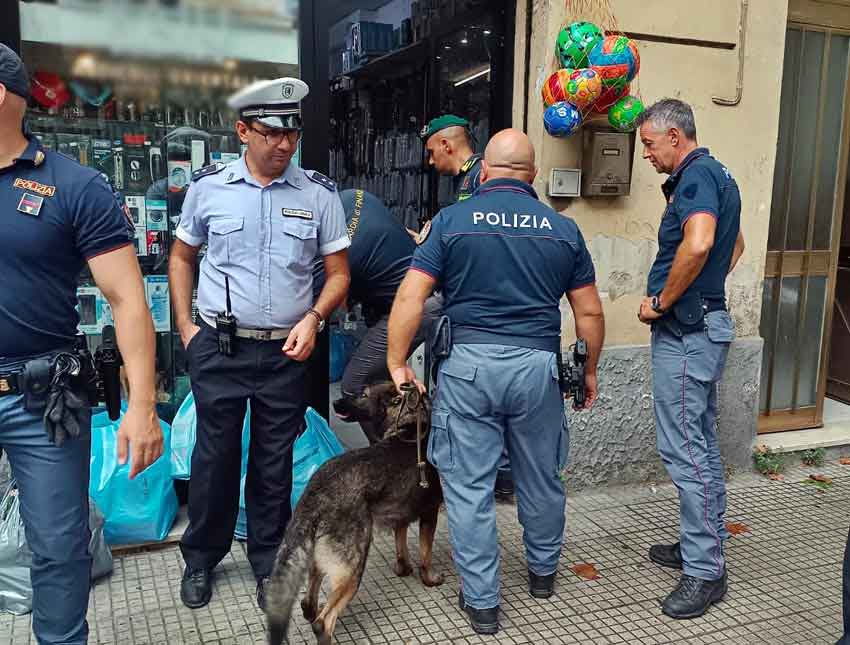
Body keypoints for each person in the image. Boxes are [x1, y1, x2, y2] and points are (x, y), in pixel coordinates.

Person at [386, 128, 605, 635]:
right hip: (537, 370)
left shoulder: (452, 222)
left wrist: (398, 362)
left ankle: (483, 604)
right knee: (542, 477)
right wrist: (589, 368)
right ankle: (543, 574)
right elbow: (589, 310)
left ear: (483, 172)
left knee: (468, 486)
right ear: (531, 177)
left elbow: (410, 298)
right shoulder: (562, 229)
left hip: (469, 369)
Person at [0, 44, 163, 645]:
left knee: (58, 547)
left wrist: (143, 407)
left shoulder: (74, 186)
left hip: (42, 402)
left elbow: (126, 300)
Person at [168, 77, 351, 611]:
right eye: (271, 133)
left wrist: (315, 318)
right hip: (219, 349)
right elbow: (182, 258)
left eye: (291, 133)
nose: (284, 144)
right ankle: (201, 559)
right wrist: (186, 328)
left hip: (285, 353)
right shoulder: (209, 188)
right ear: (243, 130)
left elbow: (338, 274)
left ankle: (267, 560)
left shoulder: (318, 194)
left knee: (274, 462)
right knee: (215, 460)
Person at [635, 98, 745, 619]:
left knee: (686, 450)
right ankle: (701, 544)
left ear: (674, 137)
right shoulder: (720, 175)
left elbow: (700, 244)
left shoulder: (697, 177)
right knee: (699, 441)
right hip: (705, 324)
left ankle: (704, 570)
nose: (648, 157)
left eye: (650, 146)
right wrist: (704, 290)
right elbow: (735, 245)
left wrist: (663, 301)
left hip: (686, 332)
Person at [313, 188, 441, 444]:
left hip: (415, 306)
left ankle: (388, 461)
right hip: (420, 296)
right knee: (381, 381)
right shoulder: (353, 197)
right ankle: (407, 449)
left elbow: (330, 305)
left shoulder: (341, 246)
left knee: (355, 384)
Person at [420, 114, 483, 206]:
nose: (430, 161)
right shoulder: (466, 175)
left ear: (446, 145)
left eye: (431, 152)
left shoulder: (482, 174)